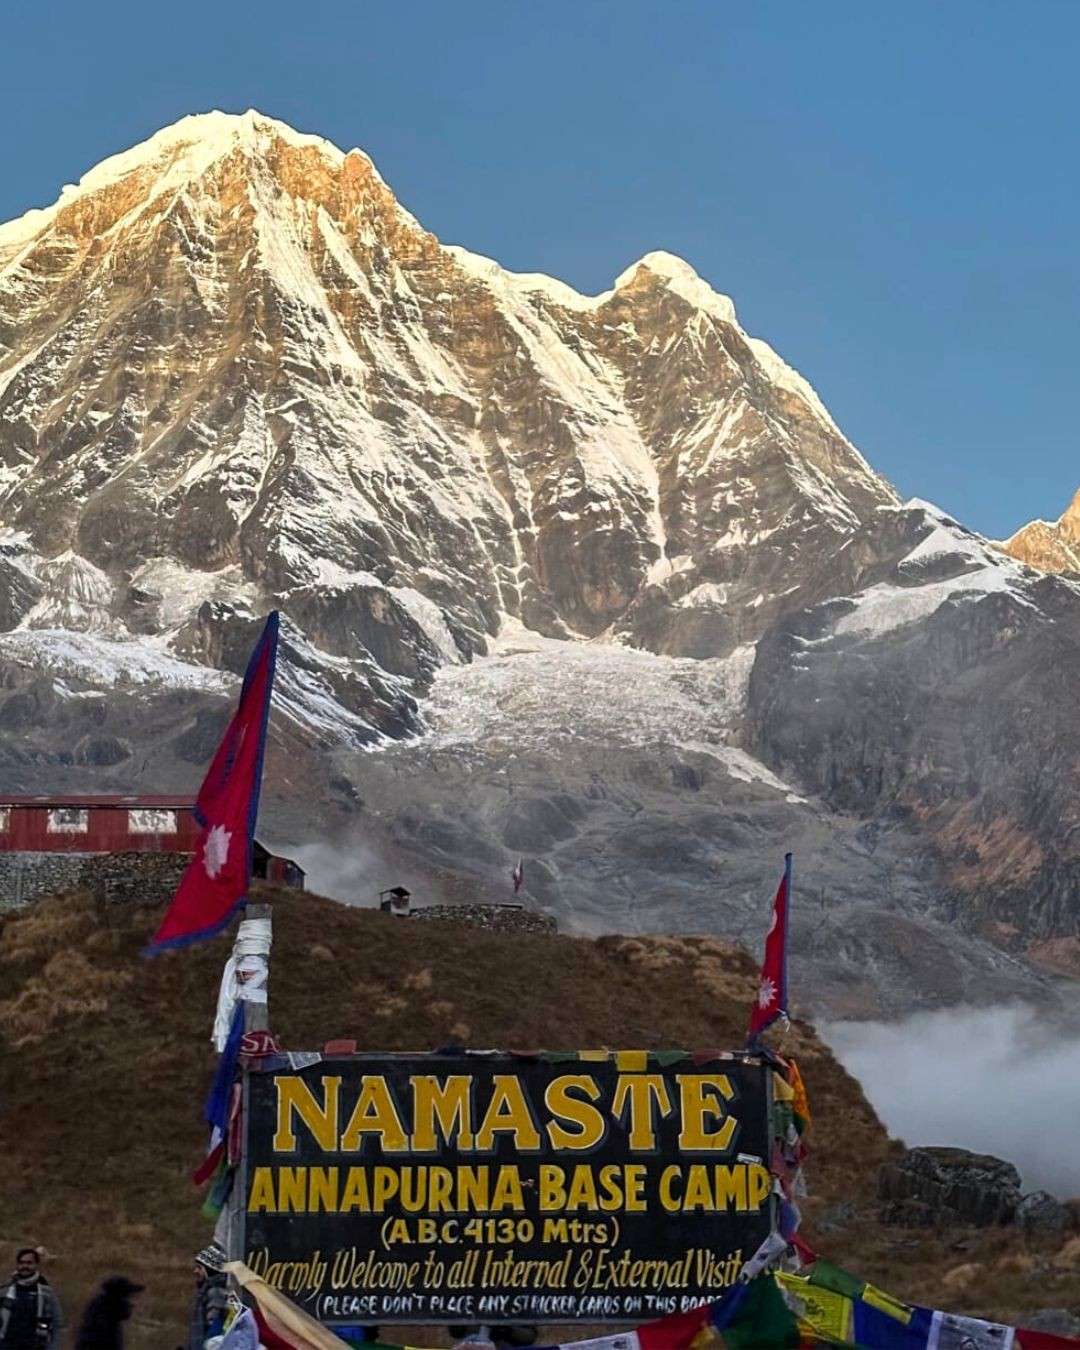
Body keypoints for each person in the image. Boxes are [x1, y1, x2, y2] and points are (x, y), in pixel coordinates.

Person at [0, 1247, 63, 1350]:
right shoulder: (5, 1290)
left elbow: (57, 1323)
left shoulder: (46, 1293)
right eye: (21, 1263)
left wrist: (53, 1347)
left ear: (36, 1265)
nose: (25, 1266)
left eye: (29, 1263)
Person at [73, 1277, 143, 1350]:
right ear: (117, 1300)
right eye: (128, 1298)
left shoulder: (104, 1319)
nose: (132, 1304)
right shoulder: (102, 1328)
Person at [188, 1245, 228, 1350]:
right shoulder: (206, 1290)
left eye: (199, 1268)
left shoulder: (215, 1291)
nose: (195, 1271)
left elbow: (214, 1330)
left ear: (209, 1269)